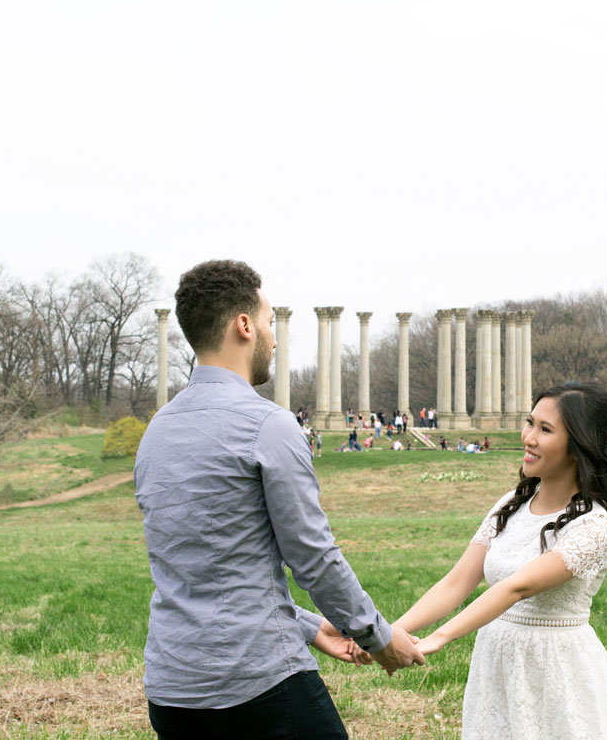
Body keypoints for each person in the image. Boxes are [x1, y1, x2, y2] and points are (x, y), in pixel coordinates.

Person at [134, 260, 423, 740]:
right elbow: (313, 558)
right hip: (257, 685)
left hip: (171, 691)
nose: (274, 338)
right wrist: (379, 636)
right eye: (269, 322)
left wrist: (311, 627)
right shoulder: (267, 424)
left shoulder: (155, 432)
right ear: (244, 326)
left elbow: (200, 568)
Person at [395, 382, 607, 740]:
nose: (529, 437)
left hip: (556, 673)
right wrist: (391, 631)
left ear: (578, 446)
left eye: (545, 429)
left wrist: (437, 639)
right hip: (497, 665)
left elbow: (517, 587)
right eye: (530, 423)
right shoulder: (510, 504)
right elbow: (456, 582)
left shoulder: (594, 525)